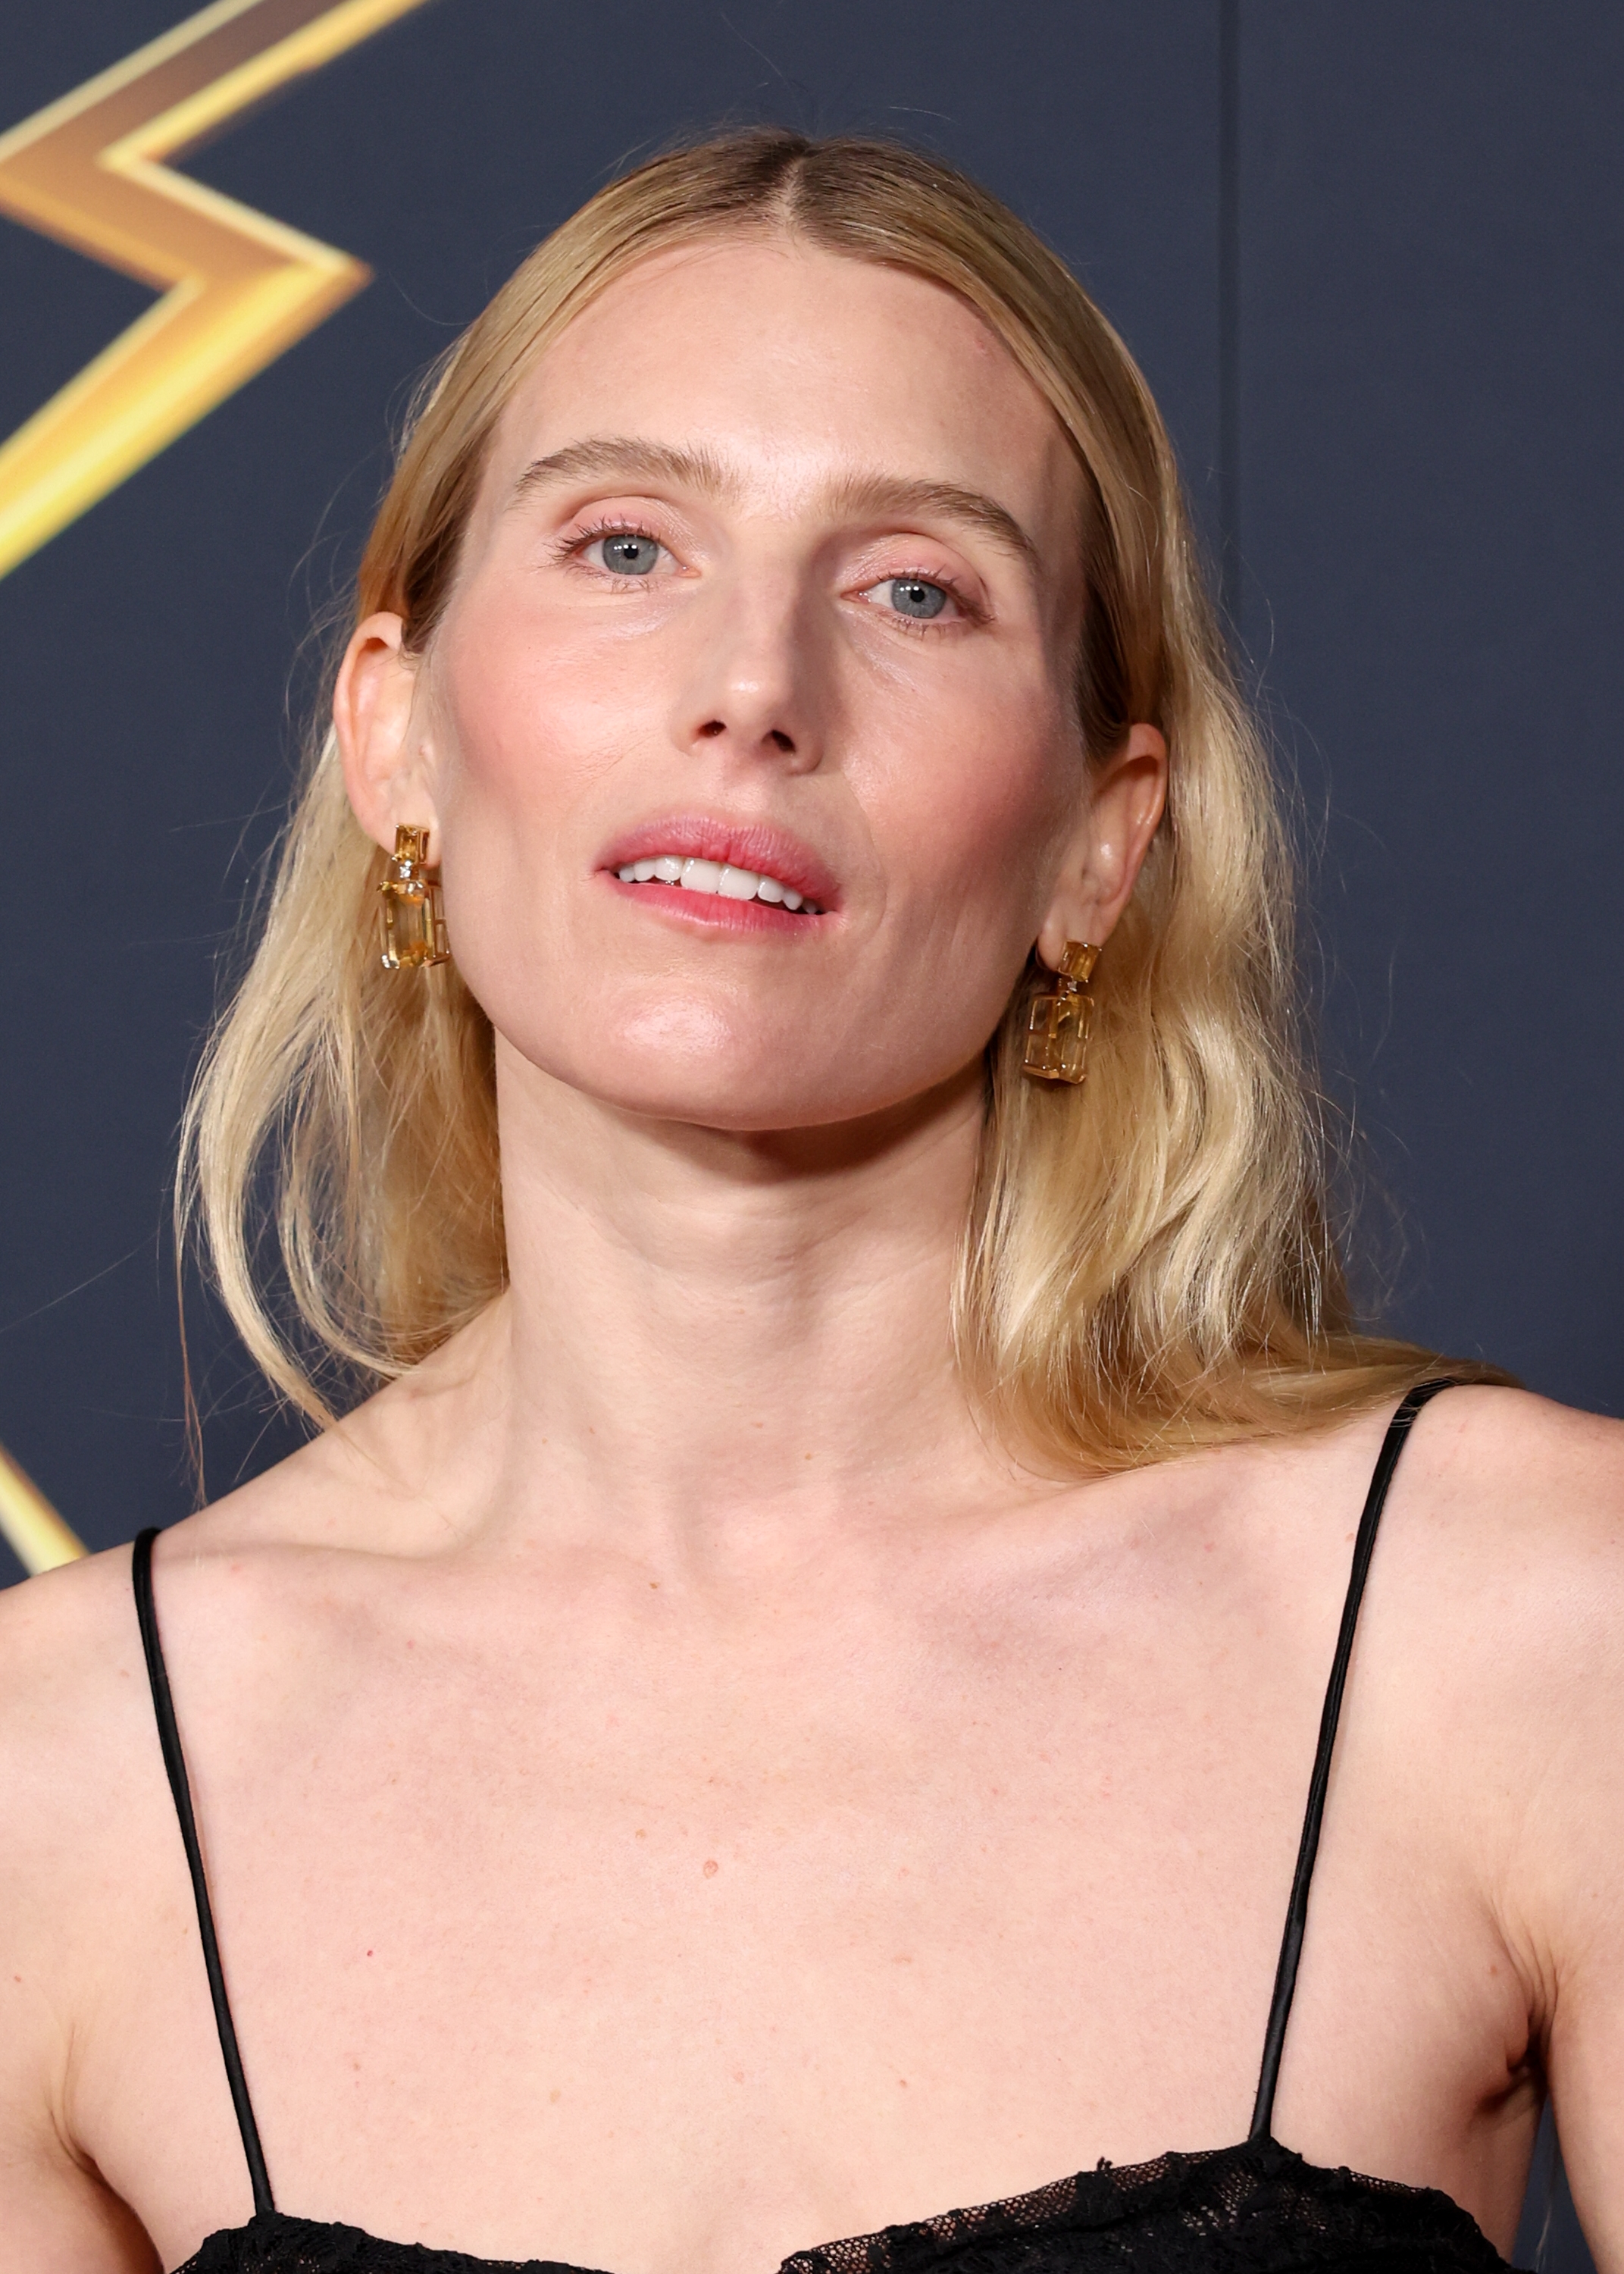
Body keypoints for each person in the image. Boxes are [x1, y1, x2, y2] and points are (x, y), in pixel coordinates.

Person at [0, 130, 1619, 2274]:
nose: (757, 684)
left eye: (916, 590)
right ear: (396, 737)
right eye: (624, 545)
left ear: (1099, 844)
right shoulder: (57, 1792)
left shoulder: (1526, 1624)